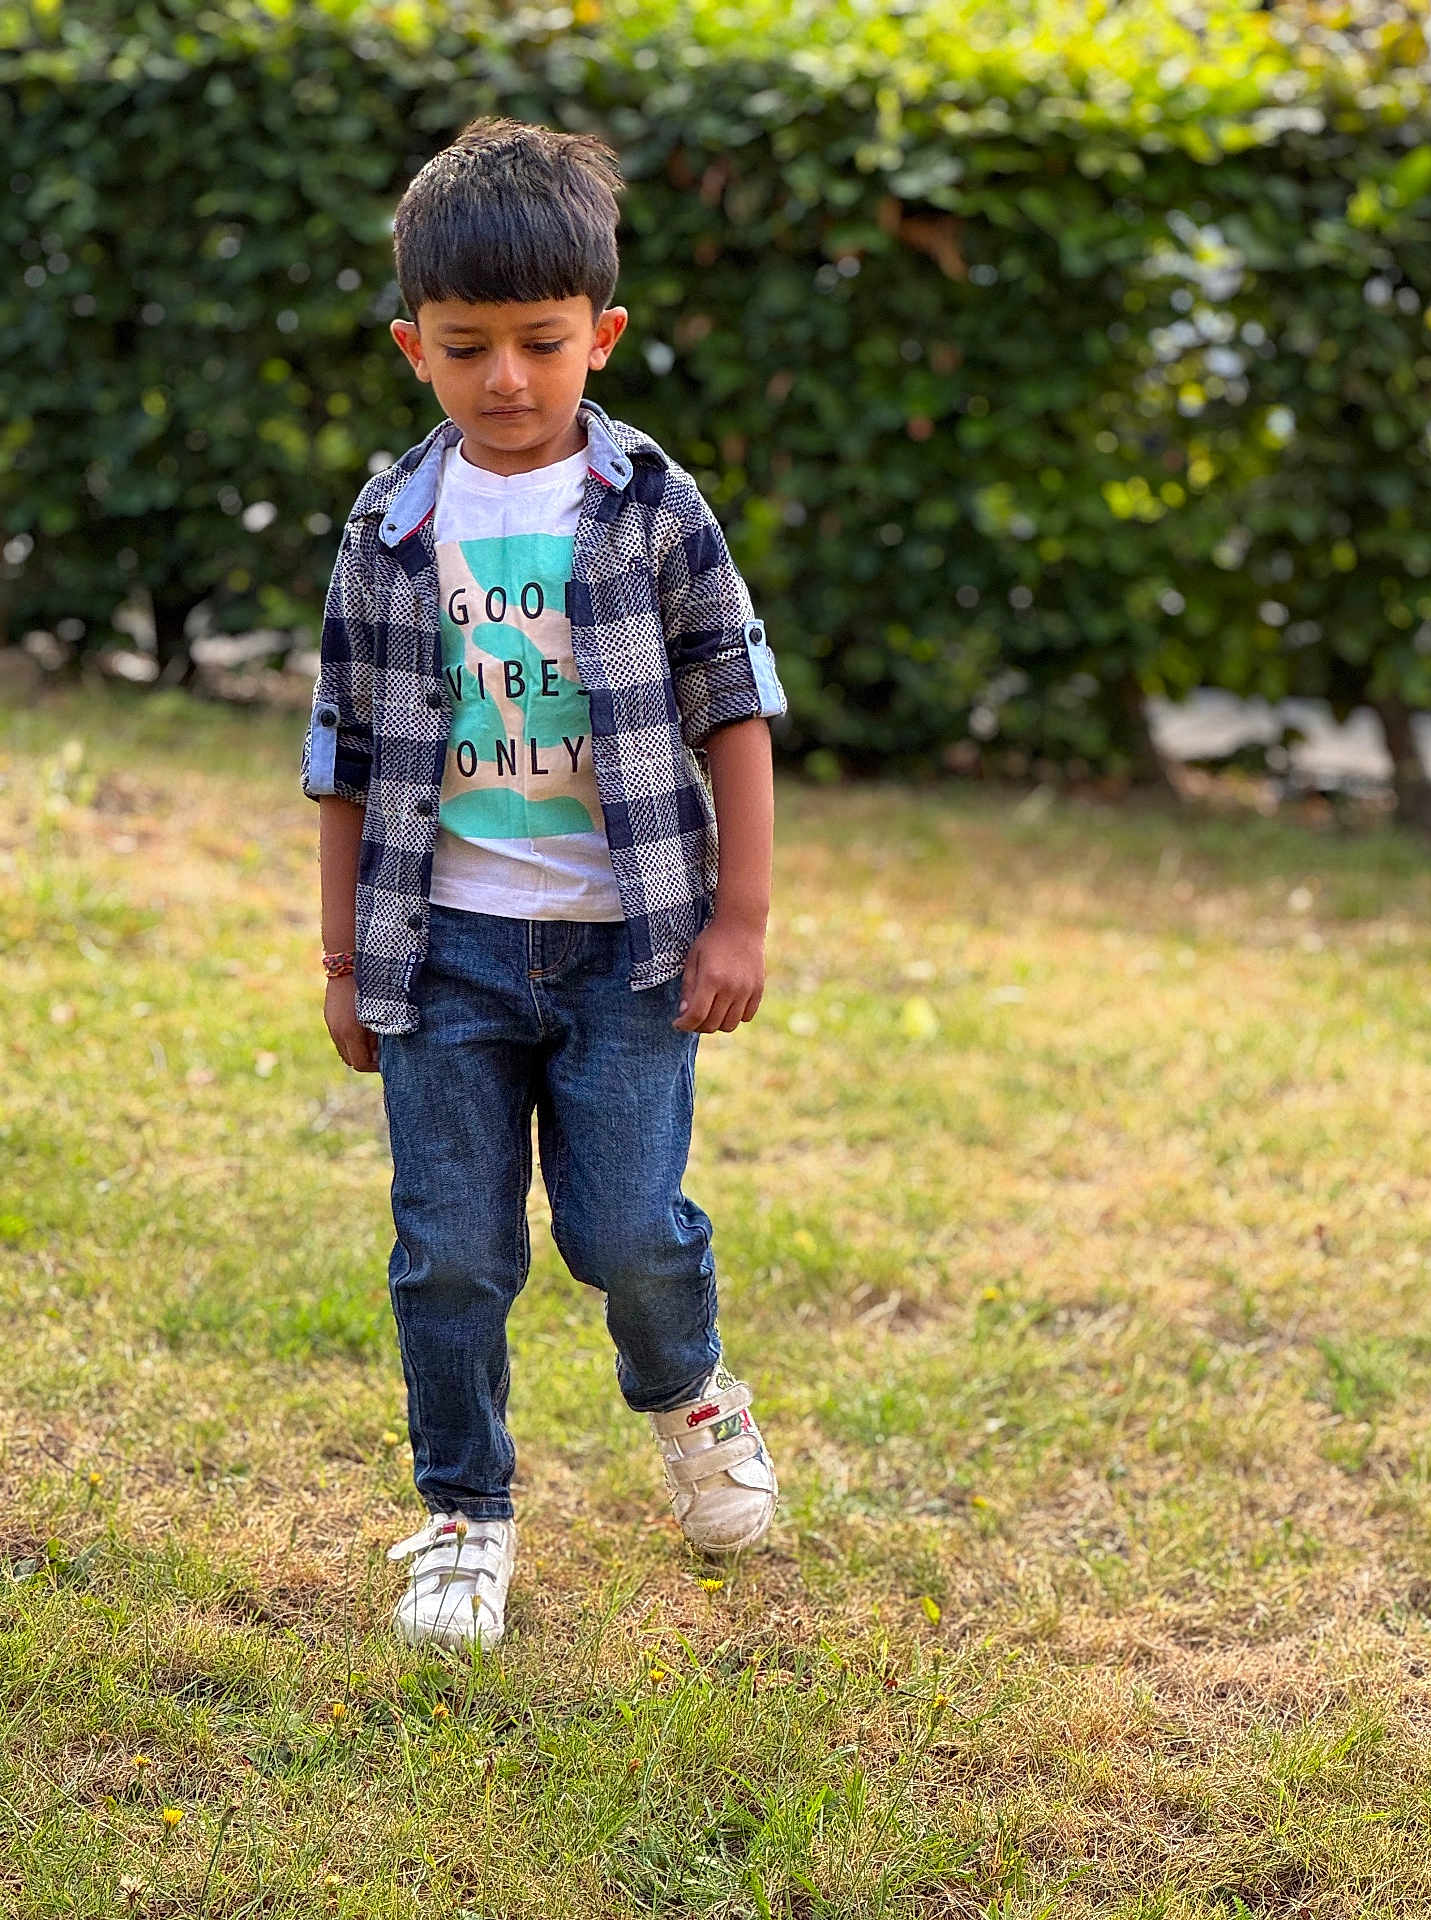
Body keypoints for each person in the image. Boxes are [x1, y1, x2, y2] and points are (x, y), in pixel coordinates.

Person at [300, 117, 786, 1652]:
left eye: (541, 343)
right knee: (451, 1246)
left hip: (630, 954)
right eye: (466, 348)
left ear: (603, 336)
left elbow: (736, 704)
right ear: (411, 348)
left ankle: (692, 1399)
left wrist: (743, 917)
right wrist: (339, 960)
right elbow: (347, 751)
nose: (506, 379)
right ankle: (463, 1517)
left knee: (625, 1232)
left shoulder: (652, 508)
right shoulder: (390, 530)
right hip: (442, 951)